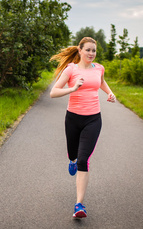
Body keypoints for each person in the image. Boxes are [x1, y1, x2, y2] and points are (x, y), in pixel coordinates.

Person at [49, 36, 116, 219]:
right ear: (80, 51)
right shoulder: (71, 69)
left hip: (93, 119)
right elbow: (53, 92)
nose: (91, 54)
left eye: (94, 50)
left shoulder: (99, 68)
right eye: (88, 50)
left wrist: (110, 93)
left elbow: (100, 82)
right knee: (73, 154)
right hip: (73, 119)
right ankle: (71, 160)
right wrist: (72, 89)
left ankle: (79, 204)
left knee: (83, 159)